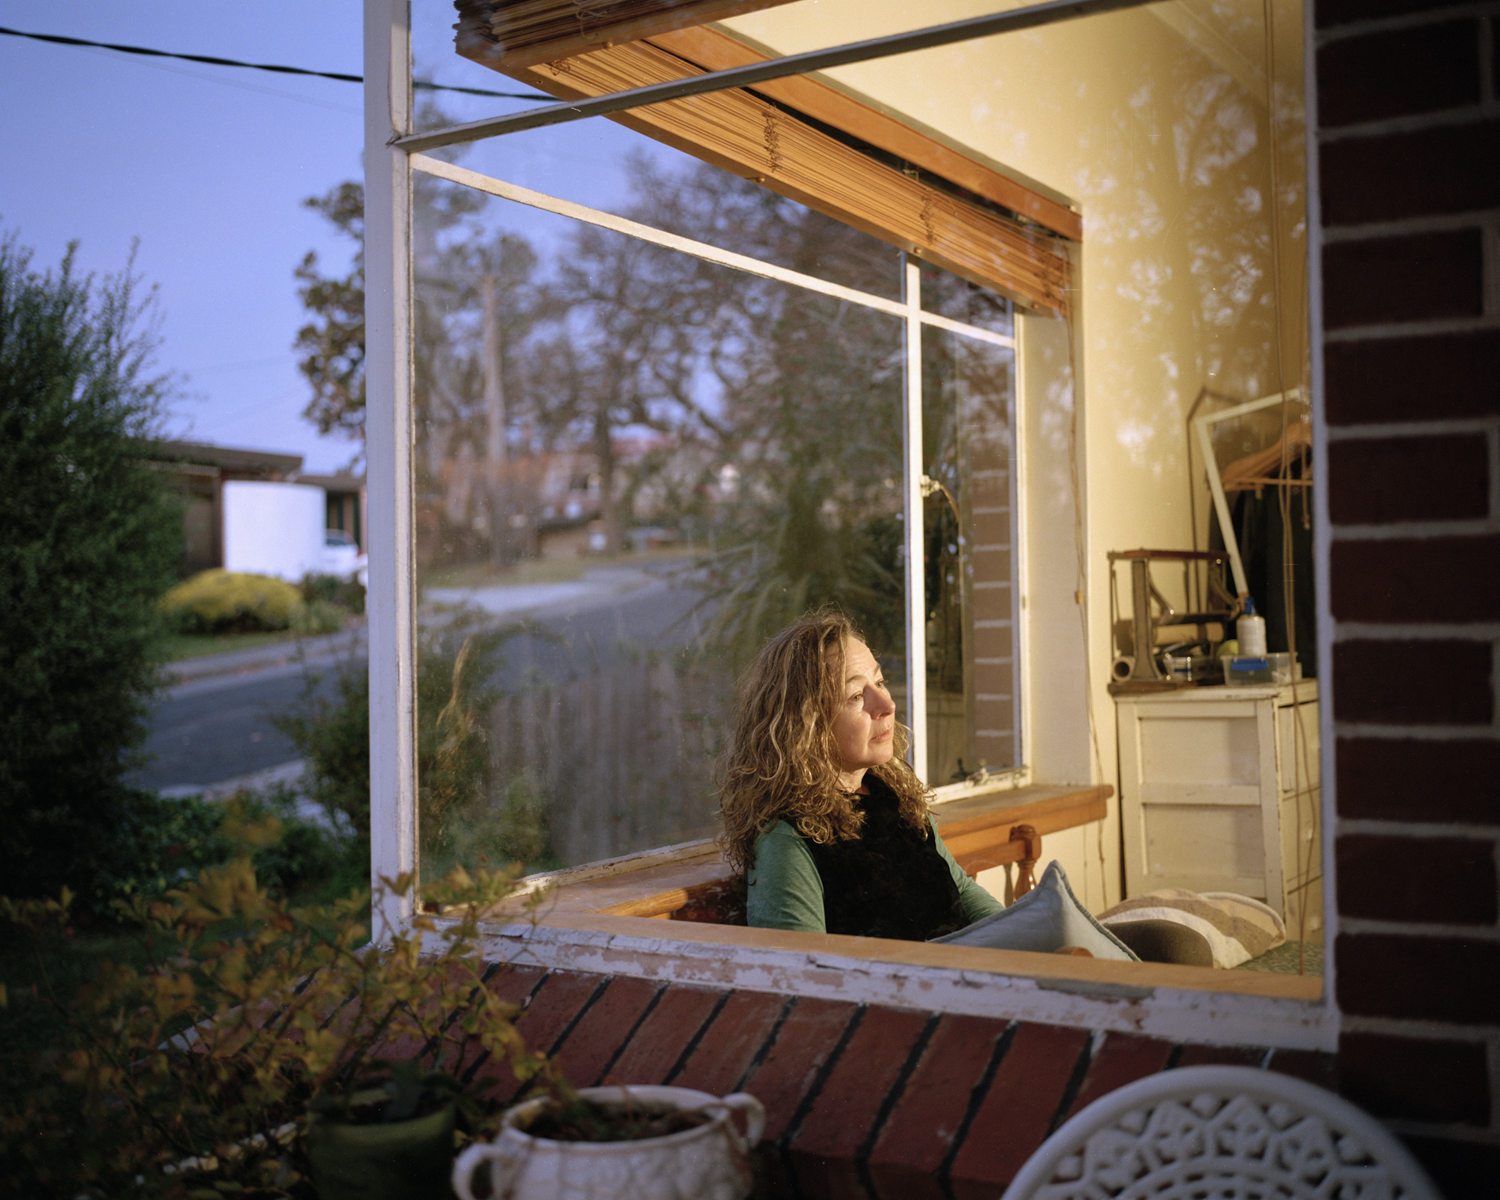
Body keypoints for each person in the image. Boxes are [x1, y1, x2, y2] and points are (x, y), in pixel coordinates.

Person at [718, 610, 1004, 940]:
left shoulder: (893, 794)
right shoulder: (786, 837)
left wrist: (1021, 942)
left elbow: (962, 891)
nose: (886, 704)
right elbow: (806, 975)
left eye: (880, 682)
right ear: (807, 726)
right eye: (856, 696)